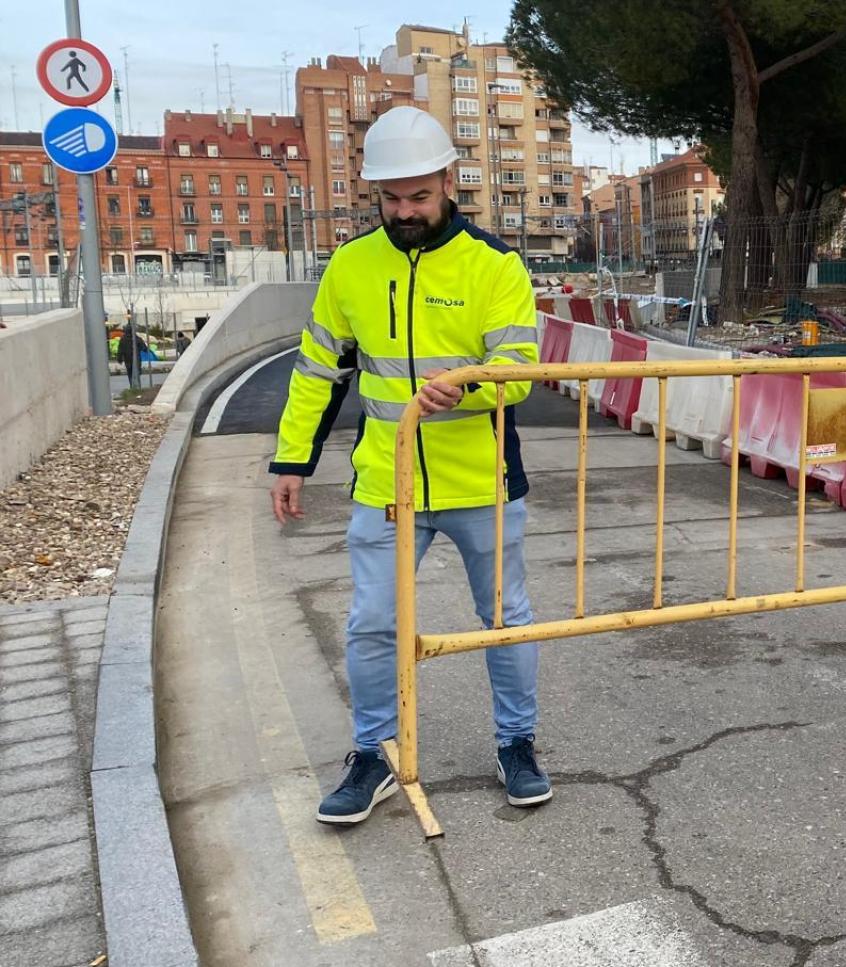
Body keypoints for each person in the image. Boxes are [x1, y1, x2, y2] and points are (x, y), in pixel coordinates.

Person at [268, 106, 549, 825]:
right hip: (384, 484)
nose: (404, 211)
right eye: (390, 199)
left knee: (504, 620)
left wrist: (471, 380)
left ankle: (516, 744)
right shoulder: (351, 267)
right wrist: (291, 458)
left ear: (448, 182)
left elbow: (522, 371)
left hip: (483, 482)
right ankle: (372, 754)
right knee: (370, 625)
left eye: (419, 196)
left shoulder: (495, 265)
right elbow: (316, 370)